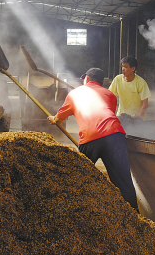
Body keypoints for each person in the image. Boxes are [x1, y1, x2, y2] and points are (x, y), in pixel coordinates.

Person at [47, 68, 138, 211]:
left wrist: (53, 119)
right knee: (123, 180)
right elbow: (107, 115)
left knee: (78, 177)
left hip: (91, 138)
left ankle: (75, 211)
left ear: (87, 79)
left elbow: (59, 118)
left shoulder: (75, 94)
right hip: (115, 135)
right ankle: (135, 218)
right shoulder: (110, 95)